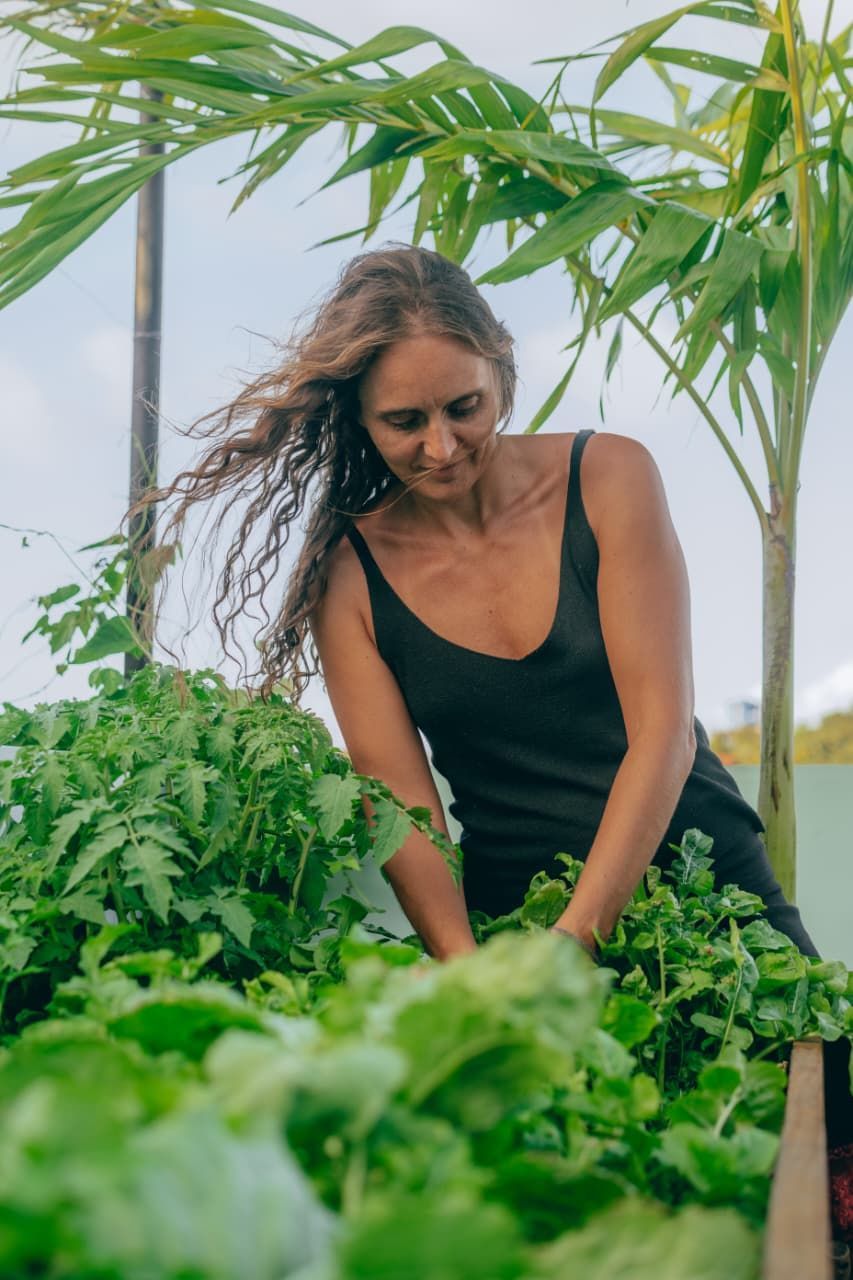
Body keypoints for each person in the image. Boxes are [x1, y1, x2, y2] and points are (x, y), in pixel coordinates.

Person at [157, 240, 850, 1145]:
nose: (440, 447)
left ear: (503, 369)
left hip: (711, 900)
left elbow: (662, 739)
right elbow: (402, 806)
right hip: (513, 923)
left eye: (463, 407)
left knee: (812, 1161)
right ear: (359, 420)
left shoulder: (608, 477)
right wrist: (475, 973)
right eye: (404, 421)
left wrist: (576, 945)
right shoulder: (349, 578)